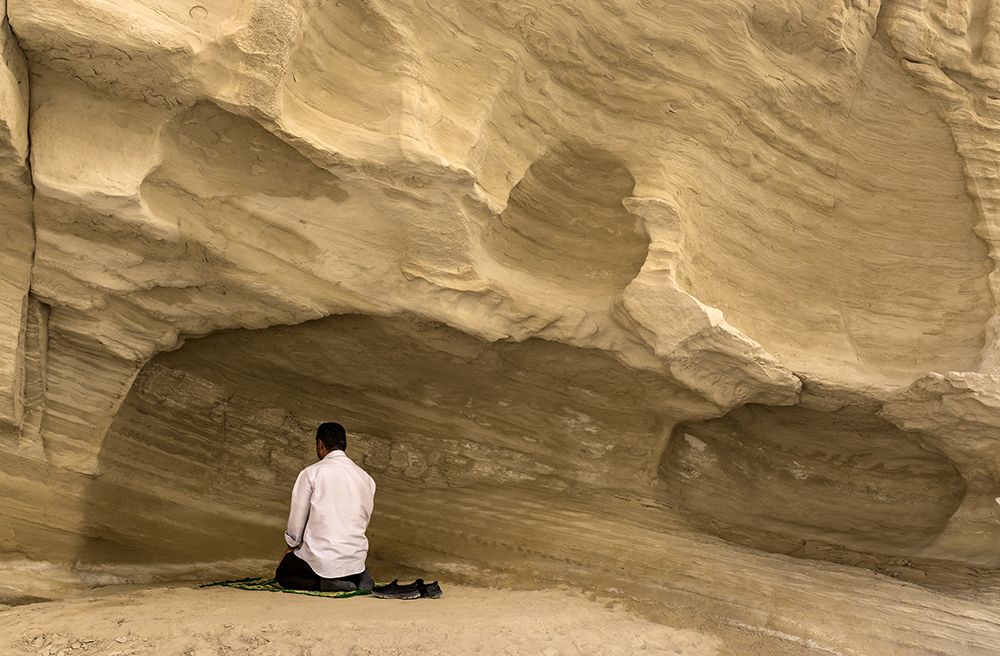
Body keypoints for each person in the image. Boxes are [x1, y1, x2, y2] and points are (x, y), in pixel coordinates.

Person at [275, 422, 376, 592]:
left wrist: (292, 546)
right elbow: (362, 520)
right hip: (355, 559)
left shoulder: (311, 473)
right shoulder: (366, 478)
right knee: (347, 565)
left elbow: (297, 522)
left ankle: (325, 584)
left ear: (320, 444)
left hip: (324, 562)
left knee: (284, 574)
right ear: (344, 445)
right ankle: (361, 576)